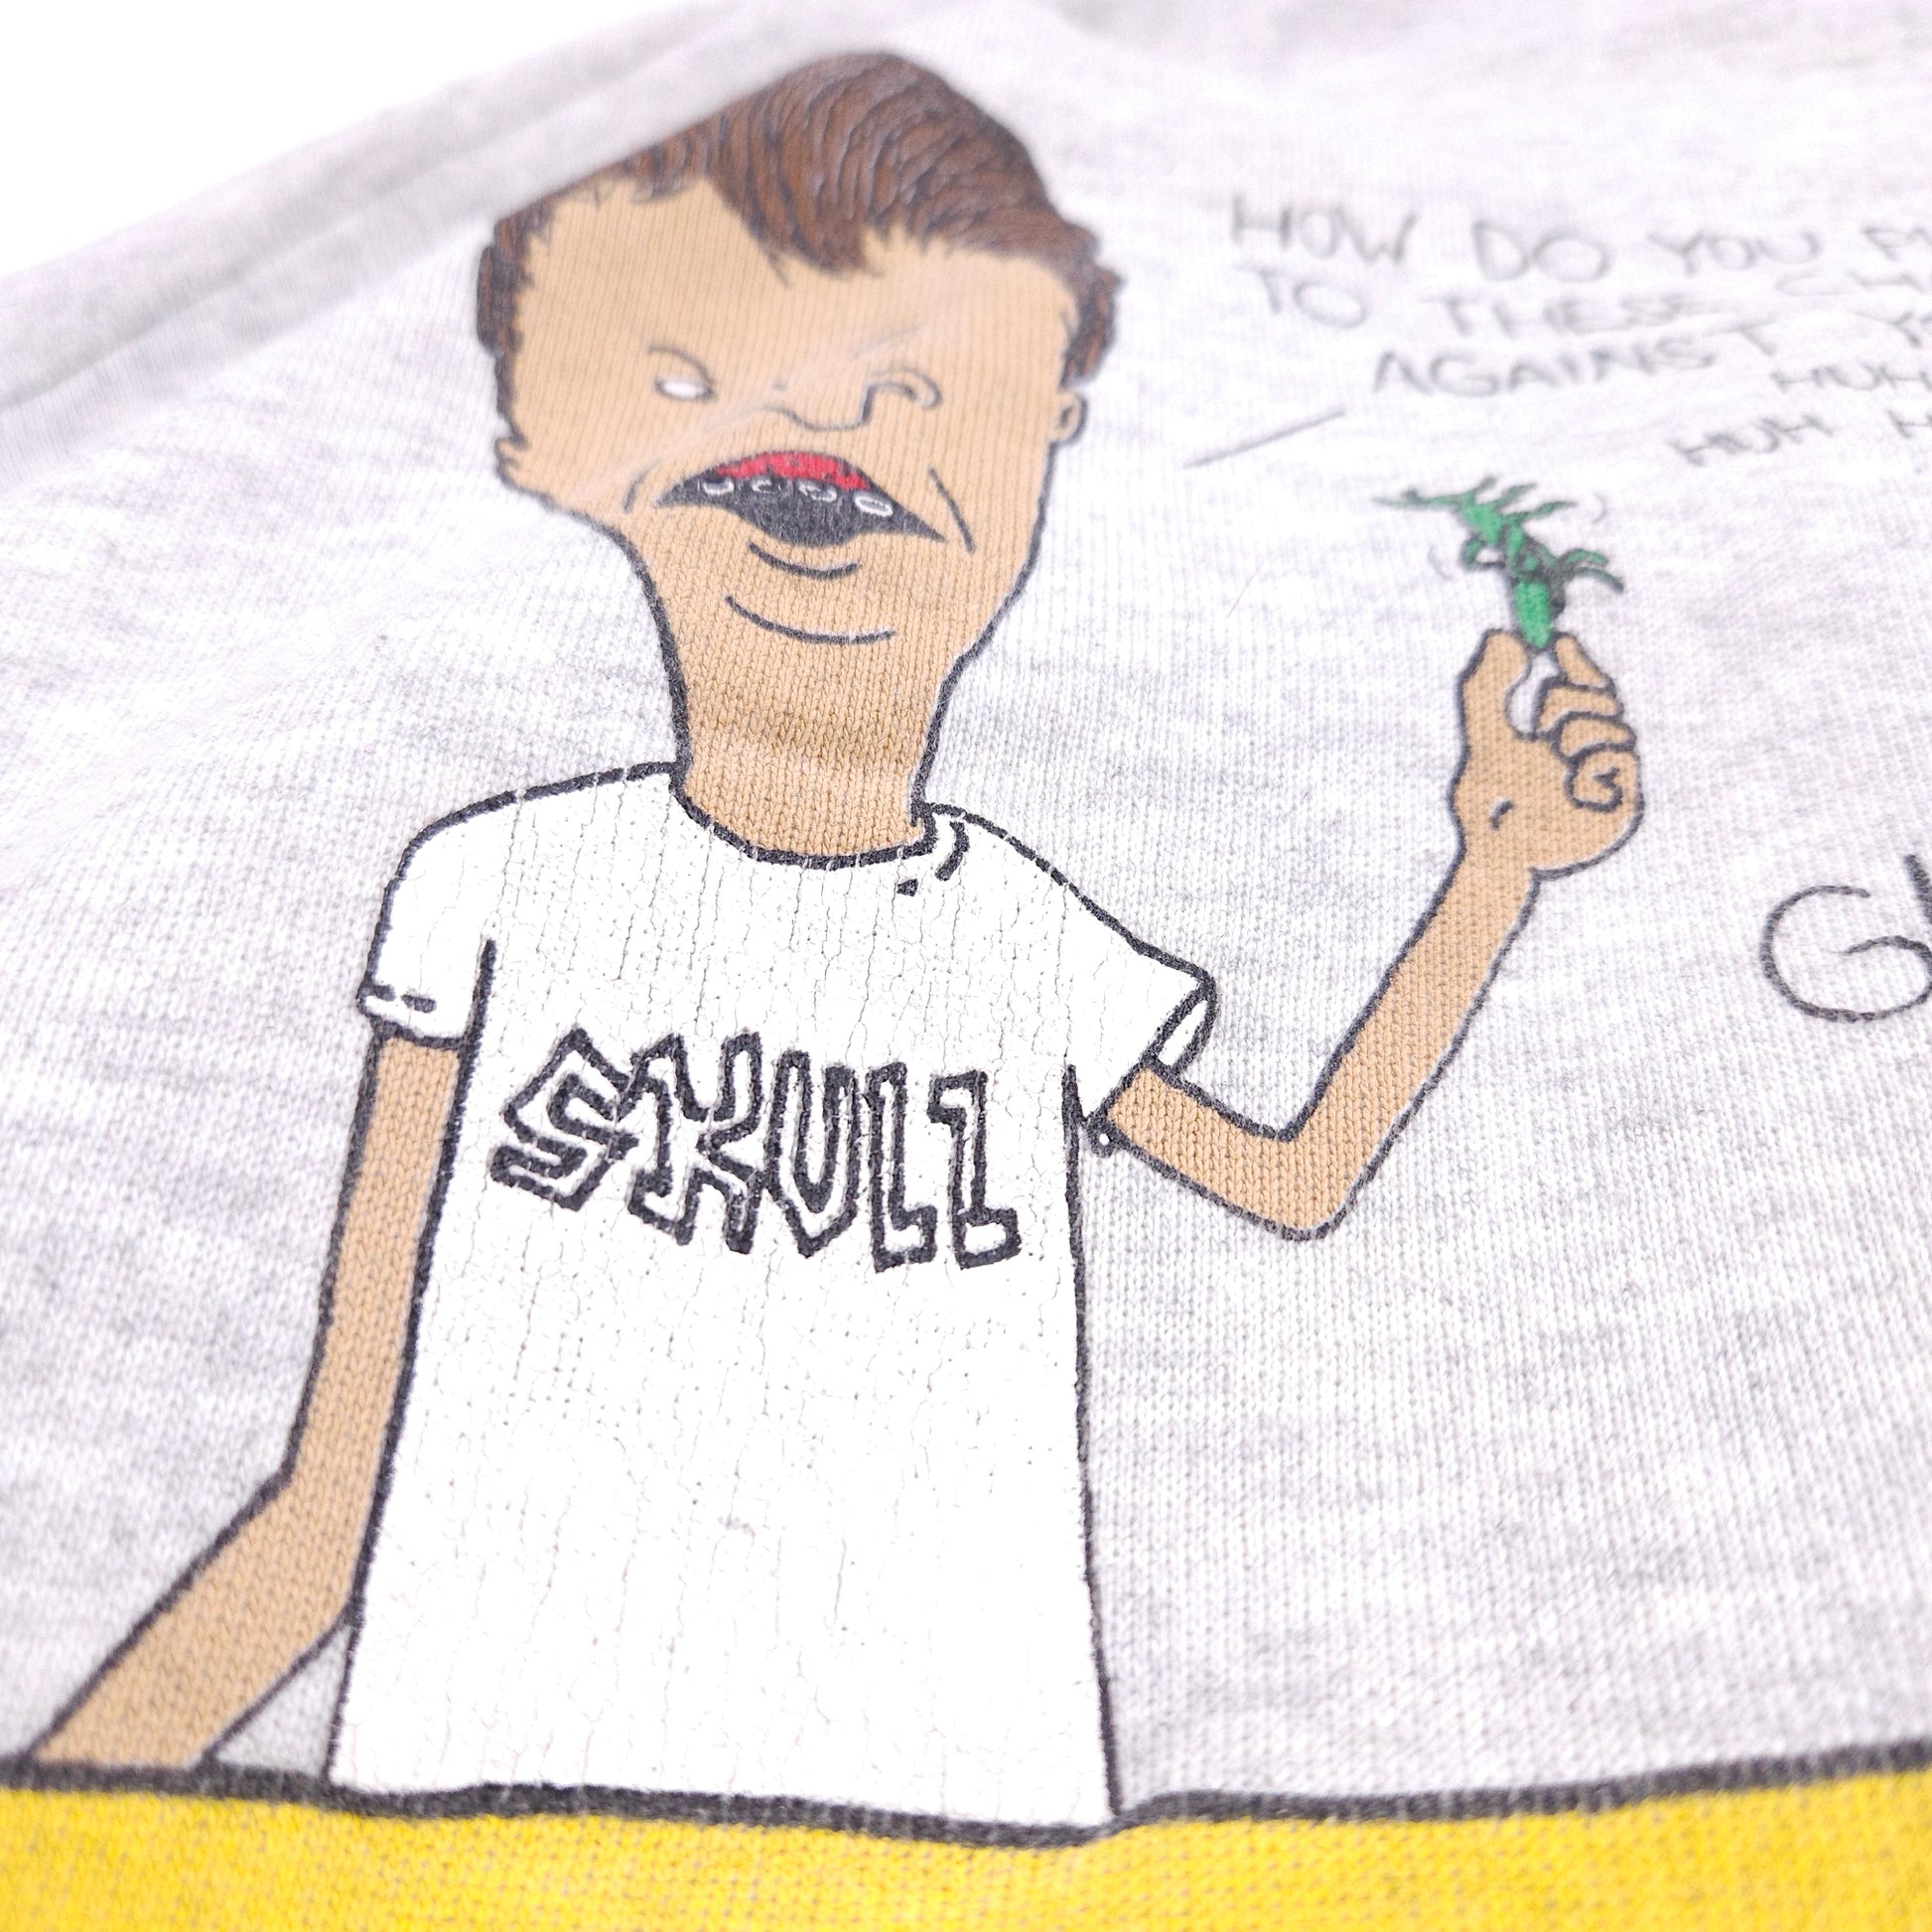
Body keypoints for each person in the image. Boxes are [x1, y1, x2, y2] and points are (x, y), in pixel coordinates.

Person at [32, 52, 1640, 1828]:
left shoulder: (1022, 938)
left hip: (968, 1851)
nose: (824, 437)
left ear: (1045, 431)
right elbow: (337, 1488)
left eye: (916, 392)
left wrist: (1495, 866)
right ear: (542, 442)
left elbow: (1298, 1175)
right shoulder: (491, 890)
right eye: (687, 381)